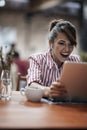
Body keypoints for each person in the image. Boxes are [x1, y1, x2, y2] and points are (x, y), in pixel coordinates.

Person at [27, 19, 81, 101]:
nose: (67, 49)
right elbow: (32, 84)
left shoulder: (75, 60)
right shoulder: (37, 59)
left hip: (68, 108)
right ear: (51, 43)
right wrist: (48, 91)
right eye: (61, 43)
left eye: (71, 44)